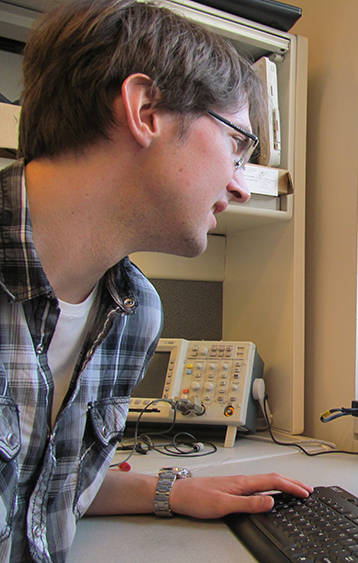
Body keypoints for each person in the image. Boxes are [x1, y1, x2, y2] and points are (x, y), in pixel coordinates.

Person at [0, 1, 312, 561]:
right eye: (238, 147)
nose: (241, 187)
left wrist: (173, 490)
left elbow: (37, 482)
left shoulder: (133, 311)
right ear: (145, 110)